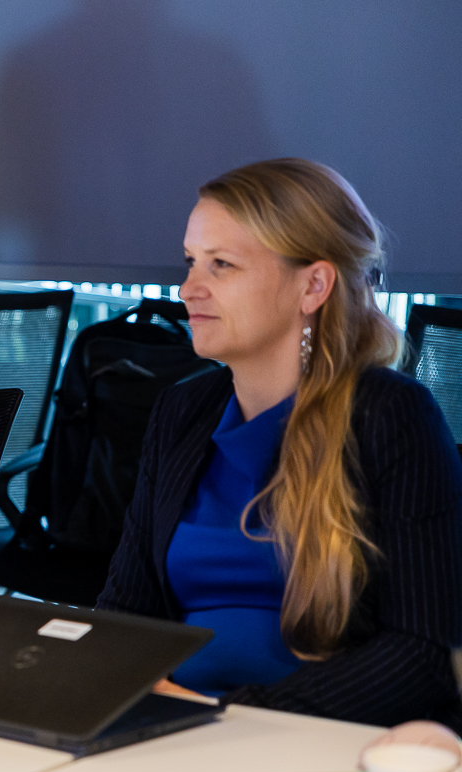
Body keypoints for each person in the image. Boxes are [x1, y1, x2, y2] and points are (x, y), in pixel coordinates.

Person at [98, 158, 462, 730]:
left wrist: (236, 716)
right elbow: (124, 613)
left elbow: (422, 653)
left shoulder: (392, 417)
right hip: (175, 730)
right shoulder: (182, 412)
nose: (188, 288)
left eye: (222, 265)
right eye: (191, 261)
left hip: (320, 742)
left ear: (313, 285)